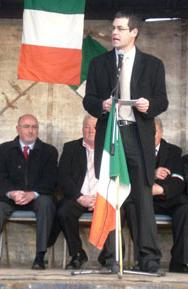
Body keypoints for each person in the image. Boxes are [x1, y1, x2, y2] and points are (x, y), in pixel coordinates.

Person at [83, 11, 169, 273]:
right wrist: (103, 105)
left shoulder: (153, 64)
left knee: (143, 197)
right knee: (110, 195)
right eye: (113, 28)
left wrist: (148, 105)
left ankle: (149, 259)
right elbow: (89, 100)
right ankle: (111, 259)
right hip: (110, 133)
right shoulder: (100, 63)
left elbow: (161, 101)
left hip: (136, 134)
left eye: (121, 28)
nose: (115, 33)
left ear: (134, 32)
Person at [0, 114, 58, 270]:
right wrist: (11, 193)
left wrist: (32, 194)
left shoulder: (49, 151)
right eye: (26, 127)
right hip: (10, 199)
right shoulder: (4, 149)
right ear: (17, 129)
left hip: (37, 198)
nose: (31, 131)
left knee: (46, 203)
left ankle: (40, 256)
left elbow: (51, 179)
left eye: (34, 127)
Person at [124, 117, 188, 273]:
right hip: (142, 199)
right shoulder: (132, 151)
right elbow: (126, 178)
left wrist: (162, 190)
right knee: (132, 207)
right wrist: (151, 177)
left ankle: (180, 261)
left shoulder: (173, 151)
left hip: (166, 199)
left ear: (161, 132)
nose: (149, 136)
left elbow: (178, 179)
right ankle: (145, 259)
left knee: (185, 208)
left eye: (154, 132)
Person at [57, 115, 98, 269]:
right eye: (87, 127)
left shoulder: (111, 148)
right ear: (82, 129)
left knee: (116, 212)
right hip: (77, 198)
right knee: (63, 211)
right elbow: (63, 176)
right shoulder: (71, 148)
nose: (91, 130)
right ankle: (77, 254)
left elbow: (116, 177)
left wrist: (100, 199)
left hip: (102, 199)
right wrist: (79, 197)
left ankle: (109, 256)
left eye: (95, 126)